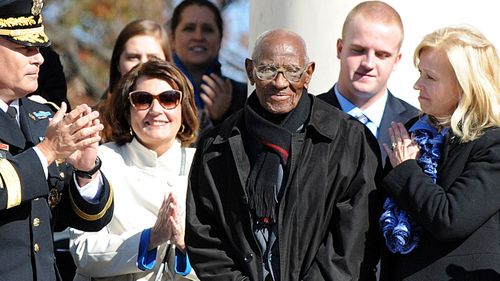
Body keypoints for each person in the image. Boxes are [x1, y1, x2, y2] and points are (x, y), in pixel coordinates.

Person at [185, 29, 380, 281]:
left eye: (292, 71)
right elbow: (204, 235)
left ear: (308, 73)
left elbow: (353, 239)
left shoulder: (348, 140)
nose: (280, 82)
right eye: (267, 70)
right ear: (249, 71)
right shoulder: (217, 145)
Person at [0, 1, 114, 281]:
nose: (38, 58)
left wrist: (86, 171)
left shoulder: (43, 117)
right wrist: (47, 151)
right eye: (25, 48)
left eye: (38, 49)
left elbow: (85, 220)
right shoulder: (48, 136)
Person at [379, 25, 500, 280]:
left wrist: (406, 169)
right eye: (419, 73)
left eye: (430, 77)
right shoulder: (412, 131)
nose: (416, 85)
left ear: (464, 86)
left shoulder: (492, 142)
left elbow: (450, 219)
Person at [70, 59, 199, 281]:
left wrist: (184, 244)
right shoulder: (100, 161)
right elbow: (83, 251)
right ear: (127, 110)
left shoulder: (204, 165)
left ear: (184, 109)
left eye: (169, 99)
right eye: (142, 100)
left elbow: (228, 260)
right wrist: (150, 239)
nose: (156, 110)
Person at [317, 1, 418, 164]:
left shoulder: (417, 126)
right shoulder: (303, 117)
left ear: (396, 60)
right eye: (358, 50)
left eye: (382, 55)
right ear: (340, 49)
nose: (368, 64)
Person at [169, 0, 247, 135]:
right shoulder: (152, 95)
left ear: (220, 39)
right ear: (172, 38)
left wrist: (223, 119)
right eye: (189, 28)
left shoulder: (245, 97)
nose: (198, 36)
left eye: (207, 29)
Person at [100, 19, 173, 141]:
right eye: (133, 57)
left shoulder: (186, 118)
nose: (143, 65)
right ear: (118, 63)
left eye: (153, 58)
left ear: (167, 63)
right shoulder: (94, 121)